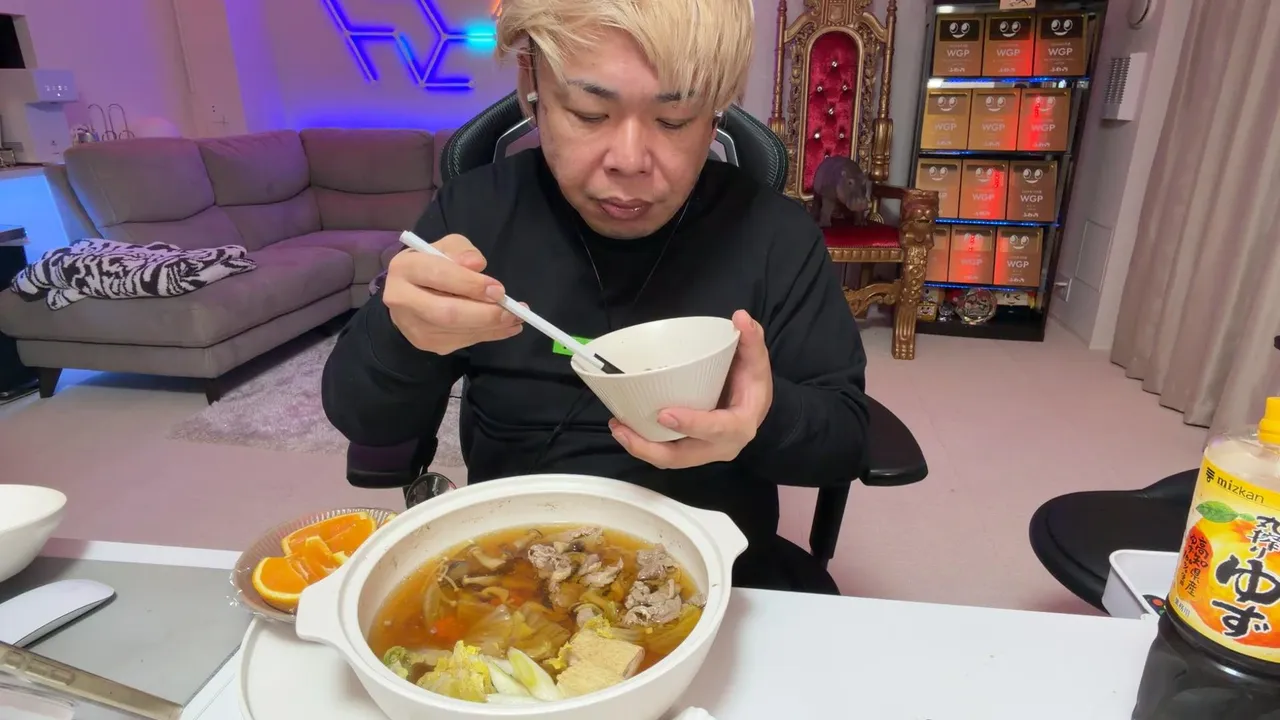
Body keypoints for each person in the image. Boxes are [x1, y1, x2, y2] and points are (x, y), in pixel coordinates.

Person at [322, 0, 870, 592]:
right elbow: (364, 418)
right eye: (588, 113)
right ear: (532, 86)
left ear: (715, 114)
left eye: (675, 120)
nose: (629, 163)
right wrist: (400, 334)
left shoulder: (772, 234)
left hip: (717, 573)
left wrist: (762, 416)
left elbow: (848, 440)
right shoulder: (474, 214)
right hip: (515, 576)